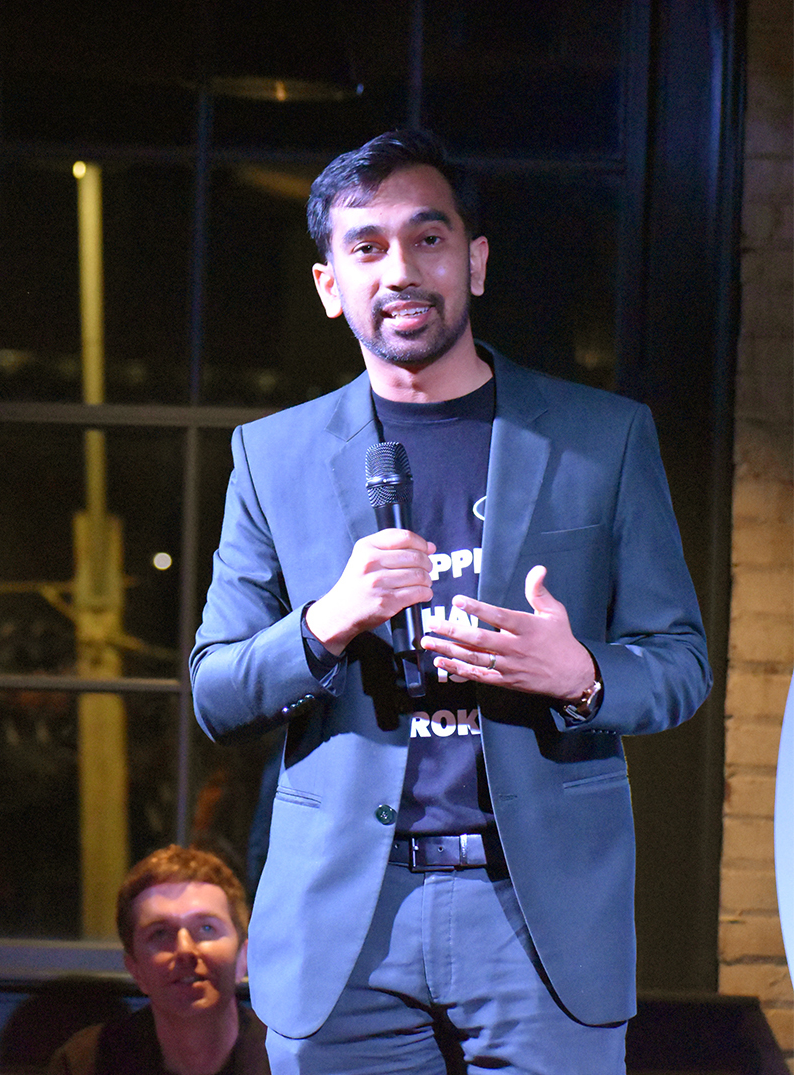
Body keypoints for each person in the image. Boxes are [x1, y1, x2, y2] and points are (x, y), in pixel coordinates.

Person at [190, 129, 712, 1073]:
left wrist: (580, 675)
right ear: (329, 285)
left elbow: (678, 662)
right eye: (368, 246)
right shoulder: (273, 456)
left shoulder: (603, 438)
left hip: (539, 916)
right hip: (346, 920)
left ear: (473, 262)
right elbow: (217, 691)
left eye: (428, 239)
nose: (401, 269)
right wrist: (326, 622)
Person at [46, 846, 269, 1075]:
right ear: (135, 970)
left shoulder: (293, 1061)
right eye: (160, 933)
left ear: (243, 958)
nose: (185, 949)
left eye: (206, 928)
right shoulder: (84, 1064)